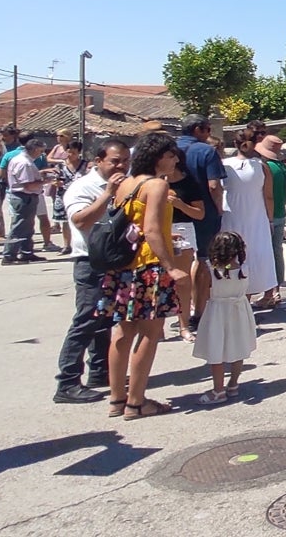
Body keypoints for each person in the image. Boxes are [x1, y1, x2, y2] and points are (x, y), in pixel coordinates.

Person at [97, 133, 186, 420]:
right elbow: (150, 229)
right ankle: (136, 402)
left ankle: (117, 399)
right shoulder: (157, 184)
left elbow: (133, 222)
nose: (175, 160)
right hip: (149, 267)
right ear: (158, 156)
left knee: (122, 332)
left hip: (123, 266)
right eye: (171, 155)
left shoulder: (126, 183)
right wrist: (171, 266)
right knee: (150, 333)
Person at [52, 140, 129, 404]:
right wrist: (108, 193)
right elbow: (81, 221)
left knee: (106, 319)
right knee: (86, 319)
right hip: (89, 261)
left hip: (115, 260)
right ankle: (68, 382)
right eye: (115, 161)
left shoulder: (127, 184)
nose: (121, 166)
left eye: (125, 161)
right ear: (99, 160)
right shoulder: (82, 187)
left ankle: (100, 370)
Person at [192, 231, 258, 404]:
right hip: (240, 312)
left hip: (217, 313)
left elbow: (203, 294)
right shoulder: (244, 269)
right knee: (238, 348)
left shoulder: (211, 271)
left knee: (217, 351)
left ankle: (218, 390)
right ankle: (233, 384)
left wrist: (197, 314)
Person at [177, 115, 226, 330]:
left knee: (179, 265)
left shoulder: (168, 148)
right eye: (207, 129)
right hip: (203, 213)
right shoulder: (206, 151)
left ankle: (180, 315)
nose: (208, 134)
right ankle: (199, 311)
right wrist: (218, 209)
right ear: (198, 129)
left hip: (174, 215)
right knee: (204, 261)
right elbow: (214, 185)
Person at [221, 129, 278, 300]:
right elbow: (268, 196)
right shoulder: (261, 166)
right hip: (256, 216)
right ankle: (250, 294)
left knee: (231, 251)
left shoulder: (225, 164)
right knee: (254, 253)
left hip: (230, 213)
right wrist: (270, 219)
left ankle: (231, 292)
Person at [166, 155, 206, 341]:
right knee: (159, 279)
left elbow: (200, 214)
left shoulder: (189, 183)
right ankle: (157, 326)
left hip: (182, 228)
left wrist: (180, 204)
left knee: (182, 279)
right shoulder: (153, 181)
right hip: (159, 229)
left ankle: (184, 325)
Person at [1, 136, 50, 265]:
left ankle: (26, 252)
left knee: (27, 227)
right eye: (40, 151)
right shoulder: (24, 163)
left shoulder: (23, 160)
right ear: (34, 149)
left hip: (27, 196)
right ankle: (9, 255)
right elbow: (28, 184)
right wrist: (47, 181)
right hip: (23, 196)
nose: (41, 154)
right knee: (19, 227)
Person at [256, 134, 286, 308]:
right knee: (277, 252)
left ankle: (269, 292)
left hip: (266, 215)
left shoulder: (265, 167)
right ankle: (276, 290)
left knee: (266, 254)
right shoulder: (282, 168)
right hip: (280, 213)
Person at [51, 141, 88, 256]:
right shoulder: (61, 166)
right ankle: (67, 245)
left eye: (74, 152)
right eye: (69, 152)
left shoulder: (86, 165)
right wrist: (57, 183)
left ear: (79, 153)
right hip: (63, 195)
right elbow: (55, 180)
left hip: (80, 196)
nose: (71, 155)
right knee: (65, 222)